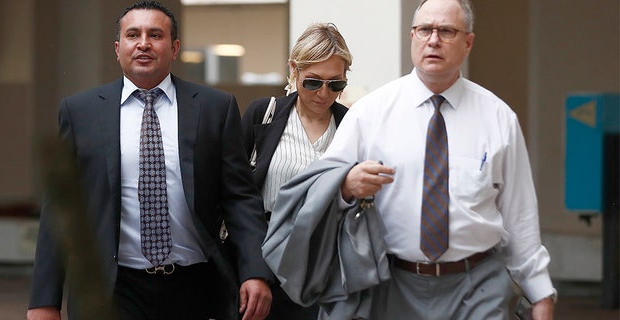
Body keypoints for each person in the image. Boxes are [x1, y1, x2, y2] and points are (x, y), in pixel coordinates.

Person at [265, 0, 556, 319]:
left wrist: (539, 294)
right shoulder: (370, 113)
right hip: (392, 283)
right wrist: (346, 186)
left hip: (478, 285)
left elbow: (520, 215)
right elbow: (318, 193)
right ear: (412, 37)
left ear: (468, 42)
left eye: (446, 31)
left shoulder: (498, 119)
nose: (433, 40)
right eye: (425, 30)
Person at [27, 1, 272, 320]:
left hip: (193, 287)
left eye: (155, 35)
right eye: (133, 34)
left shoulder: (214, 108)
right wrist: (44, 300)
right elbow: (61, 209)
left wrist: (255, 271)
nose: (143, 43)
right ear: (118, 48)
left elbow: (240, 198)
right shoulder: (80, 112)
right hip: (111, 289)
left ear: (174, 48)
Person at [241, 23, 352, 320]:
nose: (324, 93)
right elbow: (237, 196)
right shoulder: (264, 115)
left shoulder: (353, 126)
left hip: (327, 268)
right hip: (267, 263)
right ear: (294, 70)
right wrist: (253, 270)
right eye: (313, 82)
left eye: (336, 84)